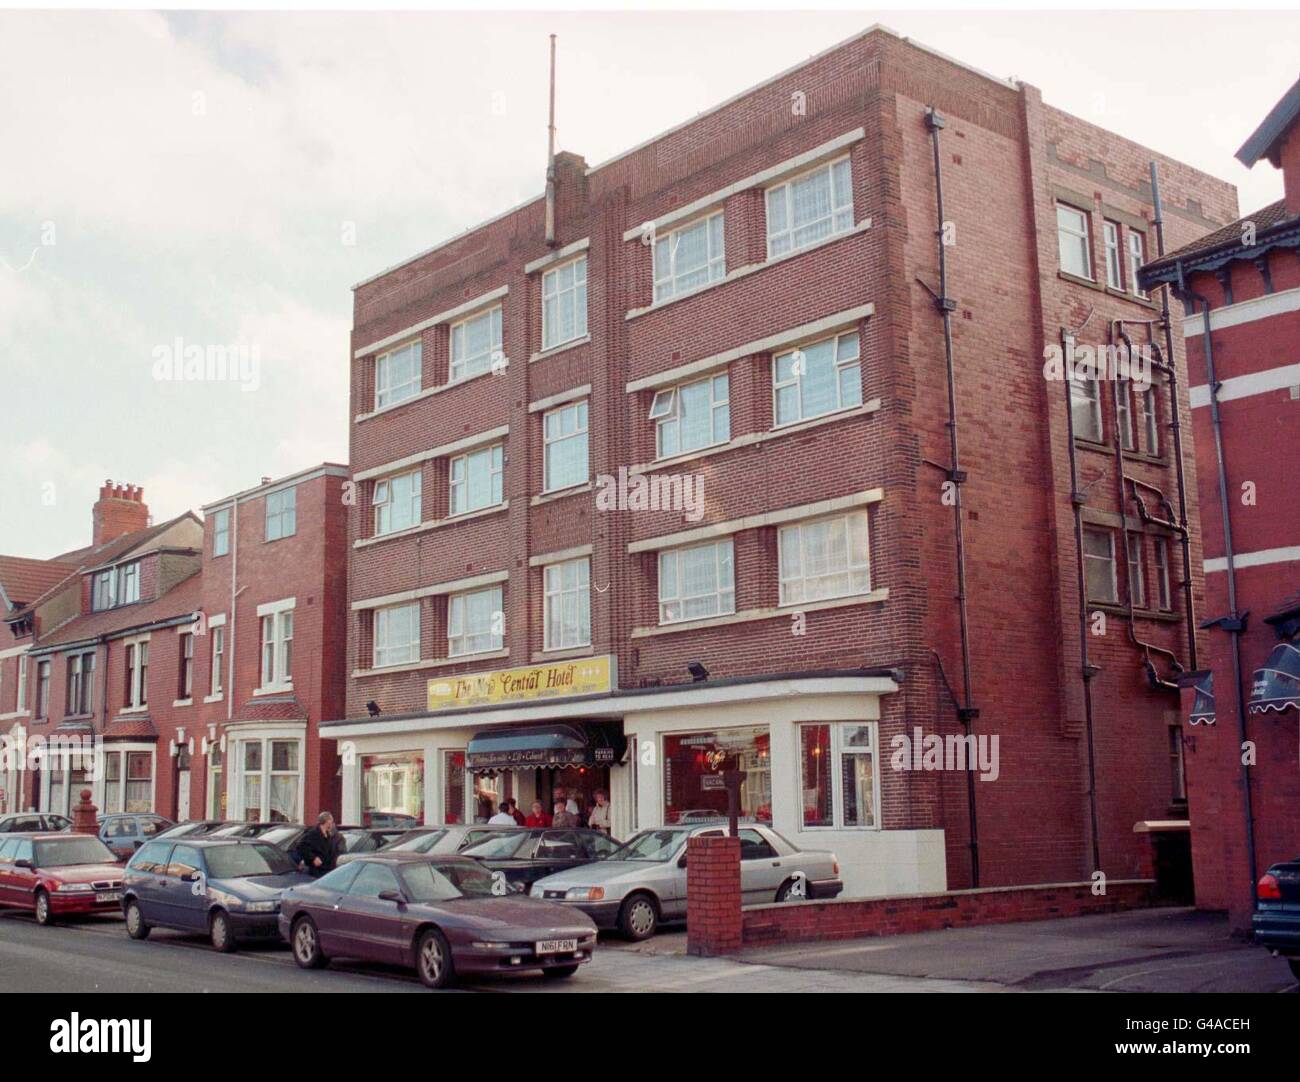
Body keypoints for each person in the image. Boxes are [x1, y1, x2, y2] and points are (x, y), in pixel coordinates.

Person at [293, 811, 343, 878]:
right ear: (327, 821)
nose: (332, 823)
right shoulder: (313, 834)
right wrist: (313, 858)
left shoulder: (329, 835)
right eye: (331, 820)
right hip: (316, 872)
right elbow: (301, 846)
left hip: (328, 870)